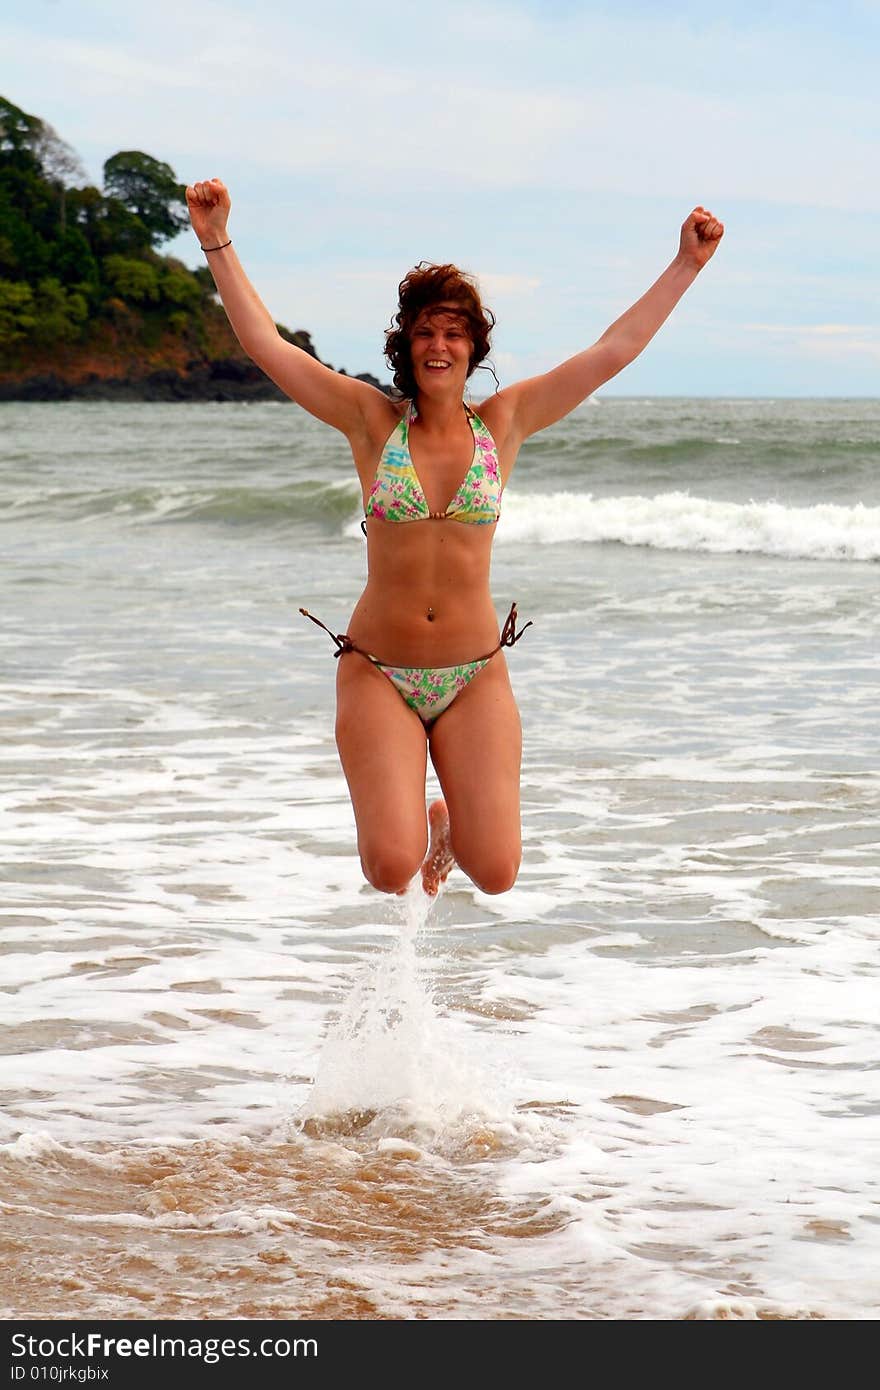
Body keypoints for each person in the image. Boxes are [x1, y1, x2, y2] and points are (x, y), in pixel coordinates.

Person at [185, 178, 724, 898]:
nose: (439, 345)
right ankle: (416, 831)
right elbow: (263, 344)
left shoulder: (508, 419)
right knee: (388, 868)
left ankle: (447, 827)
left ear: (474, 346)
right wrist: (215, 237)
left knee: (497, 873)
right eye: (425, 332)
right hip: (381, 669)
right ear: (407, 346)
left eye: (454, 332)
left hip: (475, 675)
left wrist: (686, 264)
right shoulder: (369, 421)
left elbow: (613, 351)